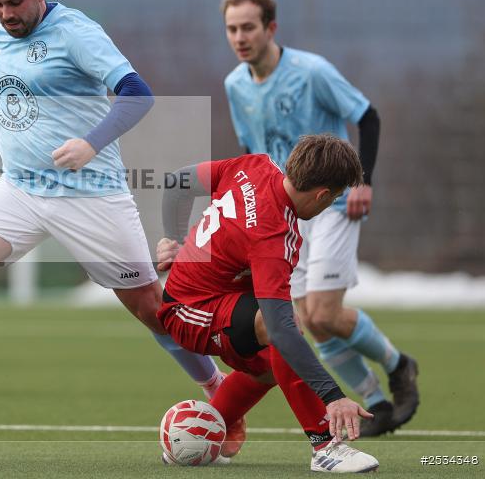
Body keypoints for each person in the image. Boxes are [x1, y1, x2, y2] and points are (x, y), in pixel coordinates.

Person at [0, 0, 227, 448]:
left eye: (14, 2)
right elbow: (9, 96)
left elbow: (137, 93)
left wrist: (90, 143)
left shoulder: (77, 33)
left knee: (151, 308)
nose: (7, 15)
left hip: (90, 193)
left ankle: (221, 392)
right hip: (22, 188)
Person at [220, 0, 418, 436]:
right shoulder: (235, 85)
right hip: (283, 213)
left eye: (248, 27)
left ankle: (399, 365)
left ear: (270, 28)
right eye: (231, 29)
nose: (239, 36)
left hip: (332, 203)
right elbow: (250, 154)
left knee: (323, 313)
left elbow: (367, 116)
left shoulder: (311, 72)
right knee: (306, 320)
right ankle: (376, 403)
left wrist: (363, 179)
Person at [157, 135, 380, 473]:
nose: (328, 205)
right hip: (189, 311)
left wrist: (173, 238)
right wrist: (333, 397)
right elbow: (278, 327)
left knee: (271, 365)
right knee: (281, 328)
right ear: (322, 195)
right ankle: (325, 446)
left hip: (212, 297)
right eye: (333, 198)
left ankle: (205, 431)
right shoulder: (274, 236)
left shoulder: (255, 165)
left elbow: (176, 182)